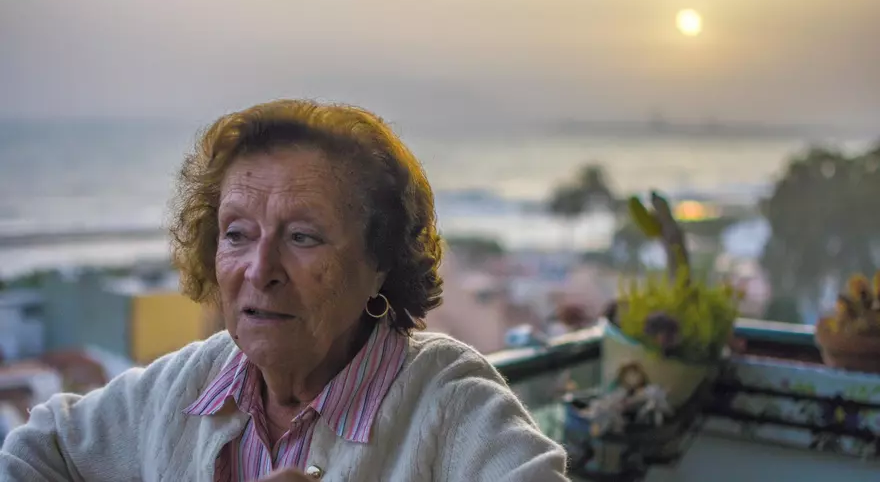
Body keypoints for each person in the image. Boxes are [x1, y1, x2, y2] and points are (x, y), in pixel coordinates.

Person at [0, 100, 569, 481]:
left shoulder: (447, 400)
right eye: (237, 234)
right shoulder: (185, 386)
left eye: (303, 236)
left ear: (380, 262)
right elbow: (33, 454)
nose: (260, 268)